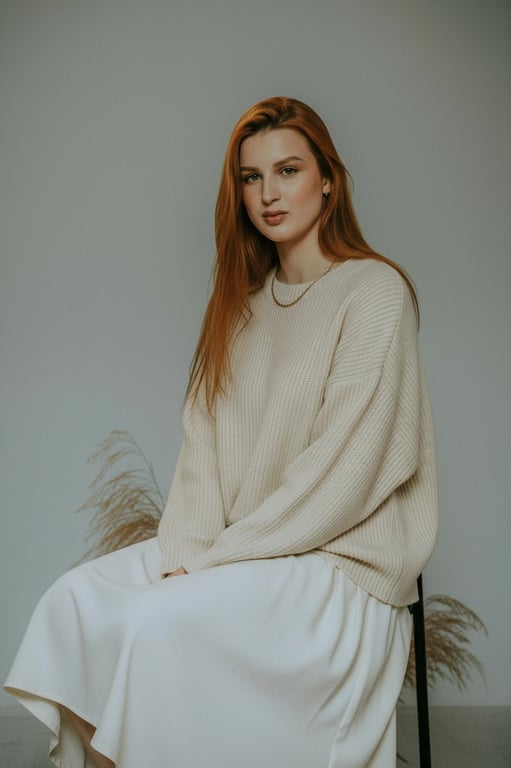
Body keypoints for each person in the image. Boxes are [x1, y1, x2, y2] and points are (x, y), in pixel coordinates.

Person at [4, 96, 438, 768]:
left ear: (328, 179)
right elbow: (201, 457)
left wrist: (210, 564)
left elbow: (341, 479)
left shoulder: (374, 292)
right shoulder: (239, 311)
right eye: (250, 177)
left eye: (288, 170)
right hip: (244, 552)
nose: (268, 194)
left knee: (151, 623)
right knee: (74, 606)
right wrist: (186, 553)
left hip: (335, 567)